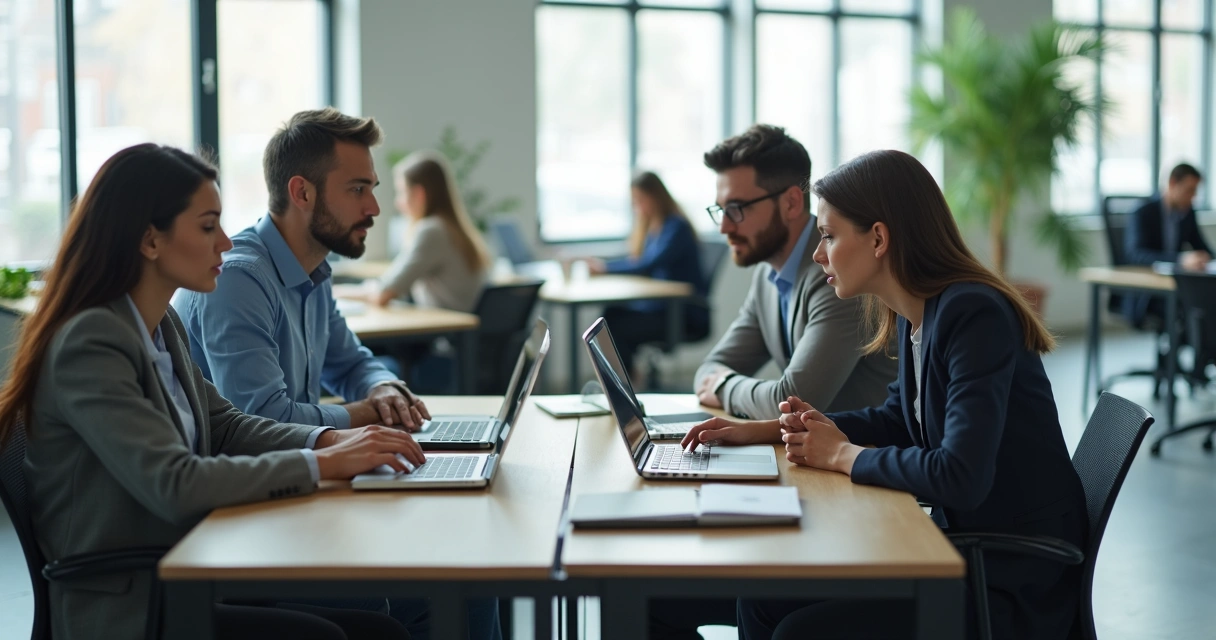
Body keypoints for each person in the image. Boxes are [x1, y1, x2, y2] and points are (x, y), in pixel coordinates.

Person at [0, 144, 424, 640]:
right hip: (134, 605)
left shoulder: (161, 325)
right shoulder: (91, 342)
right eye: (207, 226)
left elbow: (225, 424)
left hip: (191, 565)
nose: (225, 242)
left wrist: (328, 442)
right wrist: (323, 464)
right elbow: (175, 484)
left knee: (383, 628)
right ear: (149, 240)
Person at [682, 150, 1086, 640]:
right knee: (763, 600)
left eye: (829, 236)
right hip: (956, 546)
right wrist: (766, 431)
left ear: (878, 238)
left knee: (800, 631)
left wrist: (843, 455)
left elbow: (960, 476)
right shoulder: (916, 314)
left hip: (1007, 575)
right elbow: (897, 417)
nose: (817, 252)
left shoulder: (972, 314)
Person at [173, 109, 501, 639]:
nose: (373, 207)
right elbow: (262, 420)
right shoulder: (240, 279)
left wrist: (383, 387)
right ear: (302, 193)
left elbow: (351, 361)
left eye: (372, 188)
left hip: (300, 494)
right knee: (456, 584)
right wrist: (360, 416)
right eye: (357, 190)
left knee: (471, 570)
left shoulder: (313, 268)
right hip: (243, 523)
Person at [693, 125, 897, 420]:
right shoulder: (769, 276)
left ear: (791, 203)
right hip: (815, 456)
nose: (725, 227)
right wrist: (727, 382)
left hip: (868, 455)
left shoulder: (839, 275)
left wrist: (724, 386)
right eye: (720, 210)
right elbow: (709, 368)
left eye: (736, 208)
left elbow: (795, 401)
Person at [582, 171, 709, 375]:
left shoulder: (677, 228)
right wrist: (606, 266)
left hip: (681, 314)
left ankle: (627, 382)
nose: (637, 206)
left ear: (656, 196)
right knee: (611, 315)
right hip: (660, 308)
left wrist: (606, 268)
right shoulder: (653, 228)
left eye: (640, 199)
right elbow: (638, 261)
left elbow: (648, 264)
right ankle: (627, 378)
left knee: (615, 326)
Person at [369, 151, 491, 312]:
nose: (398, 203)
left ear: (419, 194)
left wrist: (340, 293)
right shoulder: (453, 228)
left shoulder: (432, 230)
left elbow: (384, 293)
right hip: (461, 331)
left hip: (444, 332)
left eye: (401, 192)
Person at [1123, 163, 1211, 328]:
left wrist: (1206, 257)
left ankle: (1203, 350)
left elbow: (1202, 247)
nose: (1193, 197)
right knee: (1196, 308)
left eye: (1195, 191)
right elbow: (1135, 254)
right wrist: (1180, 259)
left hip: (1179, 285)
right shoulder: (1143, 211)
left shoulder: (1187, 213)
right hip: (1150, 292)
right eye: (1189, 190)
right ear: (1172, 183)